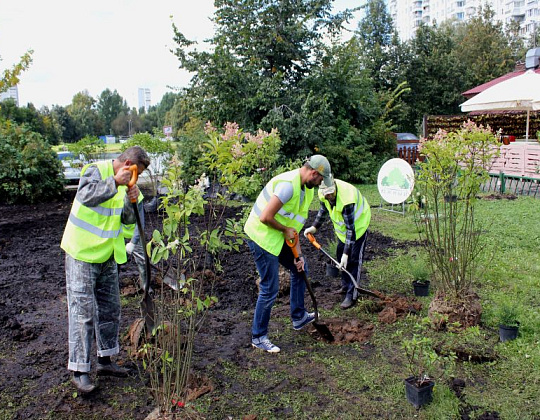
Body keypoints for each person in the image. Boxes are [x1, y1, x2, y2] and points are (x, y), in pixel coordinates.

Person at [61, 146, 150, 394]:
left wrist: (131, 199)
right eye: (136, 172)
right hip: (82, 254)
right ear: (127, 164)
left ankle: (105, 361)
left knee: (110, 310)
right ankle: (80, 372)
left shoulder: (127, 185)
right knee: (83, 313)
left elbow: (128, 220)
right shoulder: (95, 171)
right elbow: (85, 196)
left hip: (108, 255)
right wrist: (114, 182)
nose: (137, 178)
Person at [244, 155, 333, 353]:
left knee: (301, 267)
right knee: (269, 288)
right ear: (313, 173)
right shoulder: (288, 186)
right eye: (320, 180)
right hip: (261, 237)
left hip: (277, 235)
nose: (320, 184)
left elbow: (293, 229)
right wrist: (284, 230)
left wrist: (298, 255)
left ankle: (298, 316)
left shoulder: (306, 191)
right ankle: (258, 337)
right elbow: (265, 217)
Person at [304, 178, 371, 310]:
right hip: (343, 232)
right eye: (326, 194)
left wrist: (347, 254)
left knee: (353, 259)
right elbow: (324, 210)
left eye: (331, 193)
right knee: (340, 254)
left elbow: (350, 230)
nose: (329, 196)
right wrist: (314, 227)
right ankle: (345, 285)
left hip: (358, 227)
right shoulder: (323, 194)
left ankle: (352, 294)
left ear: (334, 187)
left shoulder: (347, 200)